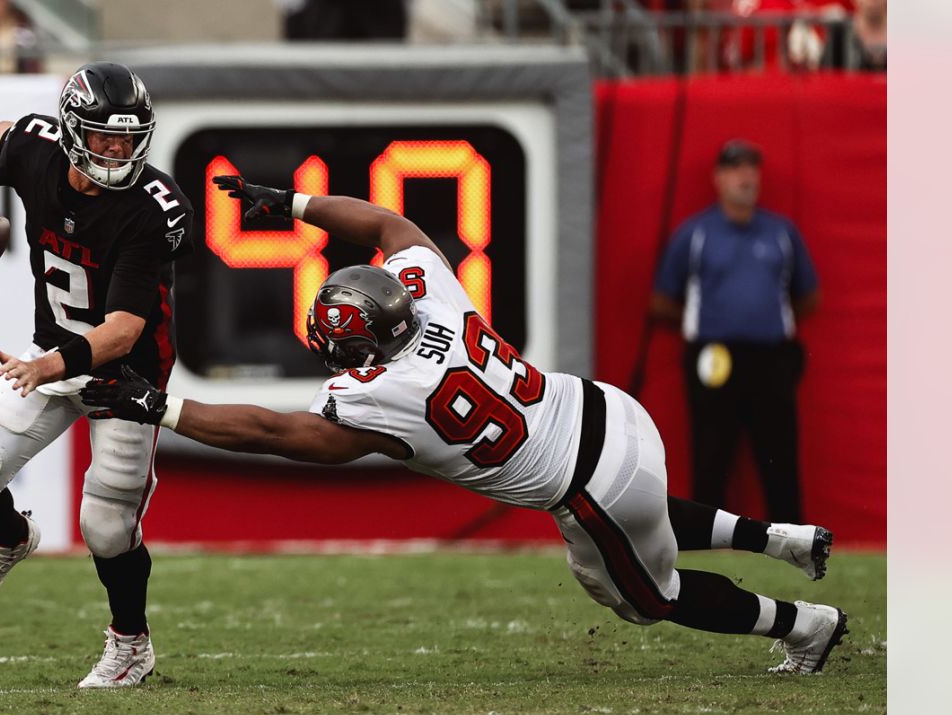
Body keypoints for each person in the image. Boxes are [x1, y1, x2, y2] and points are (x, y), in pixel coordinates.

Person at [82, 176, 847, 675]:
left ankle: (803, 624)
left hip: (589, 486)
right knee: (644, 515)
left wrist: (160, 405)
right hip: (608, 409)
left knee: (650, 599)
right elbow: (385, 220)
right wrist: (290, 205)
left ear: (358, 345)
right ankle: (777, 537)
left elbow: (276, 435)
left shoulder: (387, 394)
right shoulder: (432, 290)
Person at [0, 61, 193, 689]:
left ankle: (131, 646)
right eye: (104, 136)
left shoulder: (152, 209)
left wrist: (43, 368)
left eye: (129, 138)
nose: (118, 150)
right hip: (50, 350)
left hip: (127, 376)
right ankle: (12, 539)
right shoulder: (38, 149)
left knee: (105, 526)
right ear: (73, 130)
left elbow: (122, 329)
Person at [650, 140, 820, 524]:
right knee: (711, 453)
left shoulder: (781, 233)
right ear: (719, 177)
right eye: (735, 168)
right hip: (715, 356)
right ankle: (708, 542)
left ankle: (793, 541)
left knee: (779, 453)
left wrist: (764, 318)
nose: (745, 176)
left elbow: (809, 295)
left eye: (751, 168)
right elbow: (660, 300)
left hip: (771, 356)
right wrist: (711, 319)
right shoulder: (695, 234)